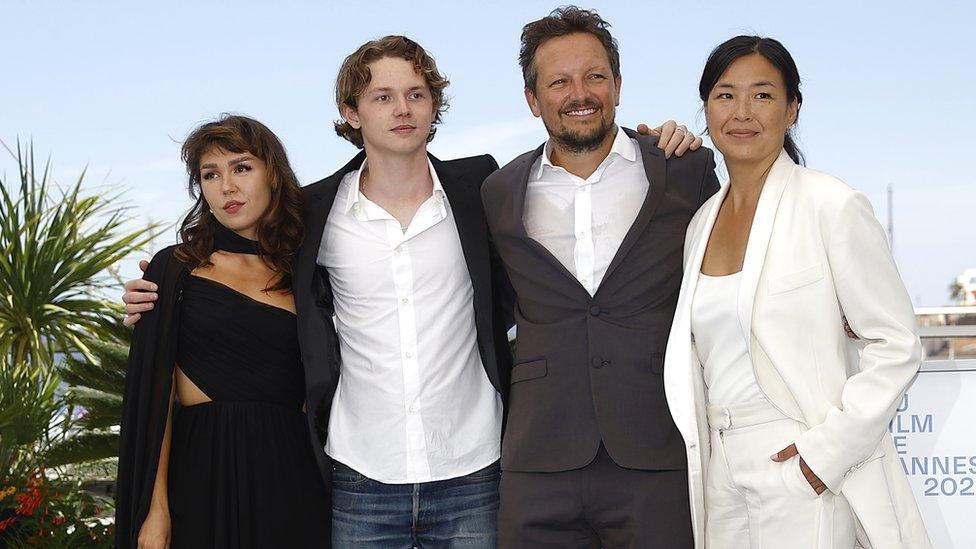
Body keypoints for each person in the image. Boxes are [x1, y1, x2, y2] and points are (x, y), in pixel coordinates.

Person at [122, 35, 699, 547]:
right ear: (350, 112)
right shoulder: (315, 212)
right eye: (381, 96)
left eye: (416, 94)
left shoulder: (484, 188)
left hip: (476, 468)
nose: (402, 109)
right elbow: (246, 266)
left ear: (433, 105)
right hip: (359, 476)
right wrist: (162, 288)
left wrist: (653, 138)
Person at [662, 35, 931, 548]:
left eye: (762, 95)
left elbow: (896, 344)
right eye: (725, 95)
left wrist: (825, 454)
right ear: (706, 108)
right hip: (718, 465)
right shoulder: (700, 224)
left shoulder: (831, 204)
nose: (742, 111)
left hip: (798, 454)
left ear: (792, 111)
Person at [480, 7, 720, 547]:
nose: (579, 93)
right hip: (539, 456)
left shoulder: (684, 167)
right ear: (532, 99)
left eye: (594, 76)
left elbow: (730, 274)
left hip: (656, 445)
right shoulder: (498, 192)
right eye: (558, 81)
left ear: (617, 83)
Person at [115, 115, 329, 548]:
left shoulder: (307, 275)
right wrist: (154, 510)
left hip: (291, 485)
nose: (226, 186)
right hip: (196, 480)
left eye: (242, 167)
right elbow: (155, 402)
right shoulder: (173, 269)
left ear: (274, 175)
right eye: (210, 174)